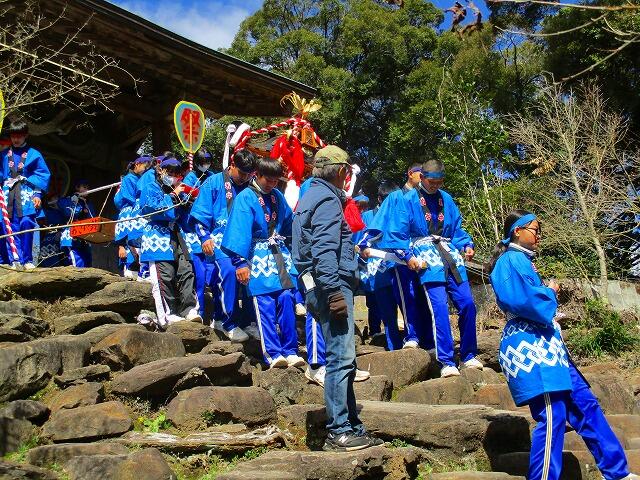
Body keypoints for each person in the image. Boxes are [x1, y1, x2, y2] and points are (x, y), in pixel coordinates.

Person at [488, 210, 638, 480]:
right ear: (517, 231)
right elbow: (521, 300)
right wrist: (550, 292)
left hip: (550, 348)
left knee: (585, 405)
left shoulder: (522, 260)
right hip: (531, 347)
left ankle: (617, 472)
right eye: (535, 230)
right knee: (553, 413)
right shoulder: (509, 260)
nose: (539, 236)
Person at [292, 145, 383, 452]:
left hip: (316, 284)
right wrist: (333, 292)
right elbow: (323, 250)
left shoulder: (309, 197)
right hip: (331, 285)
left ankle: (352, 425)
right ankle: (338, 430)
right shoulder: (328, 200)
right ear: (342, 172)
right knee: (341, 358)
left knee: (344, 358)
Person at [364, 159, 482, 377]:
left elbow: (457, 229)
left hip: (449, 254)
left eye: (439, 182)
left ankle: (468, 354)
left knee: (467, 303)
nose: (435, 186)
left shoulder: (447, 199)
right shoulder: (407, 199)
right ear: (422, 177)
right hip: (424, 255)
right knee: (439, 307)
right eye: (431, 181)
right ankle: (446, 360)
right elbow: (398, 232)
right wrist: (406, 255)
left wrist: (466, 244)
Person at [221, 157, 304, 367]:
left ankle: (291, 350)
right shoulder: (245, 197)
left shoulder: (277, 196)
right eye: (269, 180)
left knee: (286, 299)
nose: (272, 184)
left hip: (279, 256)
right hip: (256, 256)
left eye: (276, 181)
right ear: (257, 175)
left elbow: (289, 224)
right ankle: (273, 354)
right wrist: (240, 263)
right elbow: (238, 230)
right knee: (264, 303)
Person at [190, 149, 257, 342]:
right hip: (219, 239)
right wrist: (204, 237)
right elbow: (199, 216)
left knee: (254, 273)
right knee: (228, 270)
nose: (245, 178)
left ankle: (248, 321)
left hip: (245, 241)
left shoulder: (251, 187)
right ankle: (225, 321)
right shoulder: (213, 182)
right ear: (232, 165)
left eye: (249, 174)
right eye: (242, 173)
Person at [139, 156, 201, 327]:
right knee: (165, 274)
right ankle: (168, 313)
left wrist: (188, 200)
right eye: (170, 172)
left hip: (177, 233)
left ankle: (189, 308)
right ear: (161, 170)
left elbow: (186, 212)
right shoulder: (151, 186)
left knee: (186, 269)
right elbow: (150, 208)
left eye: (176, 173)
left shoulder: (179, 188)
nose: (172, 176)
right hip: (157, 234)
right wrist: (173, 195)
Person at [354, 182, 403, 350]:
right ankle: (388, 342)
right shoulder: (368, 217)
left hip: (398, 265)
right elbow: (358, 241)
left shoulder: (401, 214)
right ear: (380, 199)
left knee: (405, 304)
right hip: (376, 268)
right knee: (381, 306)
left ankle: (410, 340)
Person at [0, 120, 50, 270]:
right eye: (13, 136)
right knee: (8, 226)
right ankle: (14, 260)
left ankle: (27, 259)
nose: (16, 139)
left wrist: (38, 195)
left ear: (26, 135)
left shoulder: (34, 154)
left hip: (26, 194)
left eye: (19, 136)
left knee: (27, 223)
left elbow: (42, 175)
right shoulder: (3, 155)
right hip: (7, 195)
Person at [181, 149, 215, 318]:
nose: (205, 165)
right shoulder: (190, 178)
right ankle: (199, 310)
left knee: (213, 274)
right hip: (191, 232)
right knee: (198, 275)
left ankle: (217, 314)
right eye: (202, 162)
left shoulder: (212, 177)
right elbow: (183, 199)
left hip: (211, 231)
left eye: (207, 162)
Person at [114, 156, 153, 280]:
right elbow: (130, 197)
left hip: (137, 216)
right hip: (129, 215)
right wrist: (121, 245)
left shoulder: (139, 178)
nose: (146, 170)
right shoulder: (128, 179)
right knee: (131, 261)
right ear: (137, 164)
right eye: (145, 167)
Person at [59, 180, 95, 268]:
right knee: (78, 264)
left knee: (88, 264)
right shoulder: (66, 200)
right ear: (77, 187)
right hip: (71, 238)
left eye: (88, 188)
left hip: (85, 238)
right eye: (84, 187)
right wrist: (77, 203)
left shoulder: (88, 203)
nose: (87, 190)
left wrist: (85, 205)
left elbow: (93, 219)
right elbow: (69, 213)